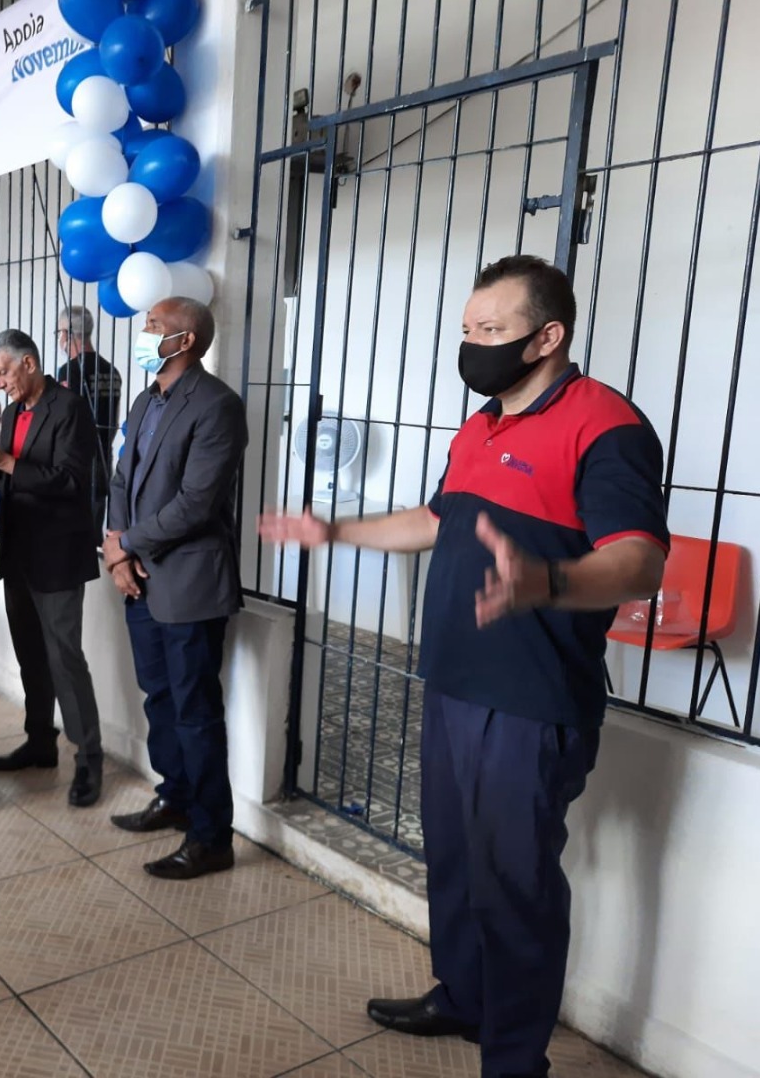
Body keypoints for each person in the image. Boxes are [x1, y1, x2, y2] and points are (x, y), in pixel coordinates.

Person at [259, 255, 669, 1078]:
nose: (473, 344)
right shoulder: (481, 425)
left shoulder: (606, 425)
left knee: (515, 883)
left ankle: (513, 1060)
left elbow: (640, 561)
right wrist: (334, 531)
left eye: (491, 329)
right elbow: (434, 518)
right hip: (453, 682)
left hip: (530, 701)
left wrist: (548, 581)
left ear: (547, 337)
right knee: (453, 857)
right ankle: (463, 996)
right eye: (467, 330)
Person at [102, 298, 249, 880]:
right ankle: (176, 796)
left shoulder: (218, 406)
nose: (143, 333)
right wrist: (118, 550)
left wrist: (126, 545)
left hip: (189, 584)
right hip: (139, 578)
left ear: (185, 340)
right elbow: (122, 478)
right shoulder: (146, 400)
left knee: (195, 711)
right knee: (159, 698)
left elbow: (196, 503)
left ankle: (212, 837)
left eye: (153, 326)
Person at [0, 330, 107, 807]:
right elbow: (12, 483)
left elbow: (70, 482)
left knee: (65, 657)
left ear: (29, 363)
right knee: (31, 656)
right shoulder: (10, 414)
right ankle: (40, 742)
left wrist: (3, 460)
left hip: (57, 554)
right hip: (18, 552)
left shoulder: (70, 408)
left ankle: (89, 759)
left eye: (3, 373)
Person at [55, 305, 122, 537]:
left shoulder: (69, 371)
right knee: (93, 530)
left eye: (59, 332)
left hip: (76, 461)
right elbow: (113, 418)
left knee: (71, 535)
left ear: (67, 333)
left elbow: (65, 419)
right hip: (103, 456)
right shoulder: (111, 371)